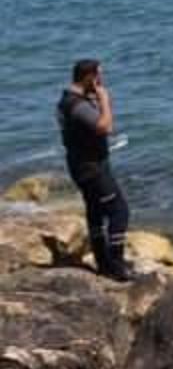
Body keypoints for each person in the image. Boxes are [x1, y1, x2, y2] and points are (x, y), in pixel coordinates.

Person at [56, 60, 132, 281]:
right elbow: (105, 127)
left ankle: (103, 263)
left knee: (96, 212)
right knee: (119, 211)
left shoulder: (66, 101)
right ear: (89, 77)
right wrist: (104, 101)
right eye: (99, 76)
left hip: (80, 165)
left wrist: (92, 99)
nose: (102, 81)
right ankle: (117, 266)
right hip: (92, 168)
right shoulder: (76, 105)